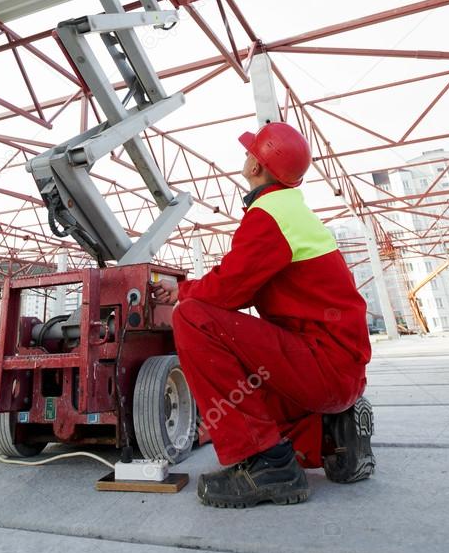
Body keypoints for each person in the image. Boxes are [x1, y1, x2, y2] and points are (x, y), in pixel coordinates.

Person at [151, 121, 374, 509]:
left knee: (190, 318)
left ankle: (268, 466)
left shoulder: (269, 215)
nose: (246, 155)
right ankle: (332, 434)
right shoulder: (290, 210)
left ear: (256, 166)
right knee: (247, 408)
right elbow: (240, 284)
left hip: (322, 364)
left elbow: (226, 292)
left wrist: (180, 296)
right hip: (334, 366)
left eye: (250, 151)